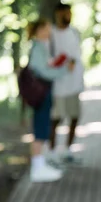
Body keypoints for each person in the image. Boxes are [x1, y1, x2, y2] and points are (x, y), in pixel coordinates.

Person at [26, 19, 74, 182]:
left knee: (43, 125)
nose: (50, 31)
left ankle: (41, 164)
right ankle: (37, 168)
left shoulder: (41, 46)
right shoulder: (37, 47)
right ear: (40, 30)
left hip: (44, 92)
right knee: (40, 128)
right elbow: (42, 71)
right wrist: (63, 70)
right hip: (41, 93)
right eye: (47, 28)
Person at [49, 2, 84, 163]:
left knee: (74, 116)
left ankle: (68, 150)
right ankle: (52, 151)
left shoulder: (74, 32)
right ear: (58, 14)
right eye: (65, 13)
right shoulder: (52, 34)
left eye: (69, 13)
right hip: (58, 84)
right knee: (56, 119)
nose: (68, 16)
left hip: (74, 83)